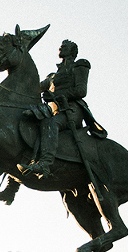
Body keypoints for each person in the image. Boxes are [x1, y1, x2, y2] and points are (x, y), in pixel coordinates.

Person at [19, 39, 105, 178]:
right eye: (61, 46)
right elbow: (33, 88)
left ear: (72, 51)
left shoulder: (79, 65)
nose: (61, 47)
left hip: (72, 111)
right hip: (54, 112)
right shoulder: (52, 76)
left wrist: (55, 95)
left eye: (65, 46)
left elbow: (81, 90)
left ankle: (45, 164)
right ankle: (13, 183)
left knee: (50, 124)